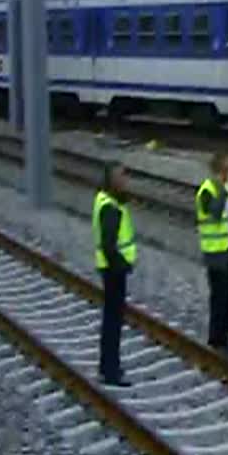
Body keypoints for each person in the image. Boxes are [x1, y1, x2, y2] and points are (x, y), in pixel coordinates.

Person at [92, 162, 136, 387]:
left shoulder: (107, 201)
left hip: (111, 269)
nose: (125, 180)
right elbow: (109, 245)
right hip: (113, 271)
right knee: (113, 321)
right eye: (121, 177)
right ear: (111, 180)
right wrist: (121, 265)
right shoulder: (110, 207)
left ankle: (107, 366)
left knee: (111, 319)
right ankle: (111, 370)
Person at [196, 151, 228, 353]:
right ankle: (216, 338)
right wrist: (221, 189)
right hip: (214, 252)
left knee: (225, 297)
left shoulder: (225, 189)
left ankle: (224, 338)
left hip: (226, 249)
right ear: (219, 170)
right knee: (219, 296)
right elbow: (215, 214)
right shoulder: (207, 191)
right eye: (227, 169)